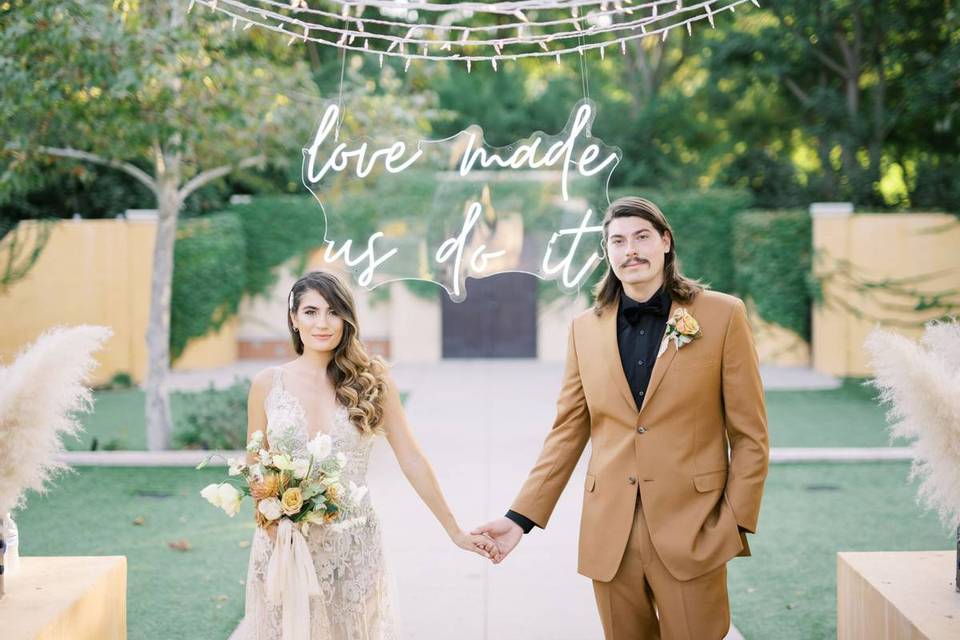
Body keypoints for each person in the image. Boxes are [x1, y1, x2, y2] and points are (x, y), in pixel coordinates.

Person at [473, 196, 770, 639]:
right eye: (618, 241)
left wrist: (732, 522)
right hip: (609, 536)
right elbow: (567, 433)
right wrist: (520, 518)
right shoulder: (584, 329)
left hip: (694, 528)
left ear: (665, 243)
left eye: (642, 237)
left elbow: (750, 435)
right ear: (607, 252)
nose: (630, 250)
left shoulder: (723, 315)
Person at [237, 270, 494, 640]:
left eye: (333, 311)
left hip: (352, 547)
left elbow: (412, 459)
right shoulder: (267, 384)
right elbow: (255, 469)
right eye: (310, 312)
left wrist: (454, 530)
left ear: (347, 319)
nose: (322, 323)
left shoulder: (371, 380)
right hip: (285, 549)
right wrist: (272, 524)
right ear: (293, 319)